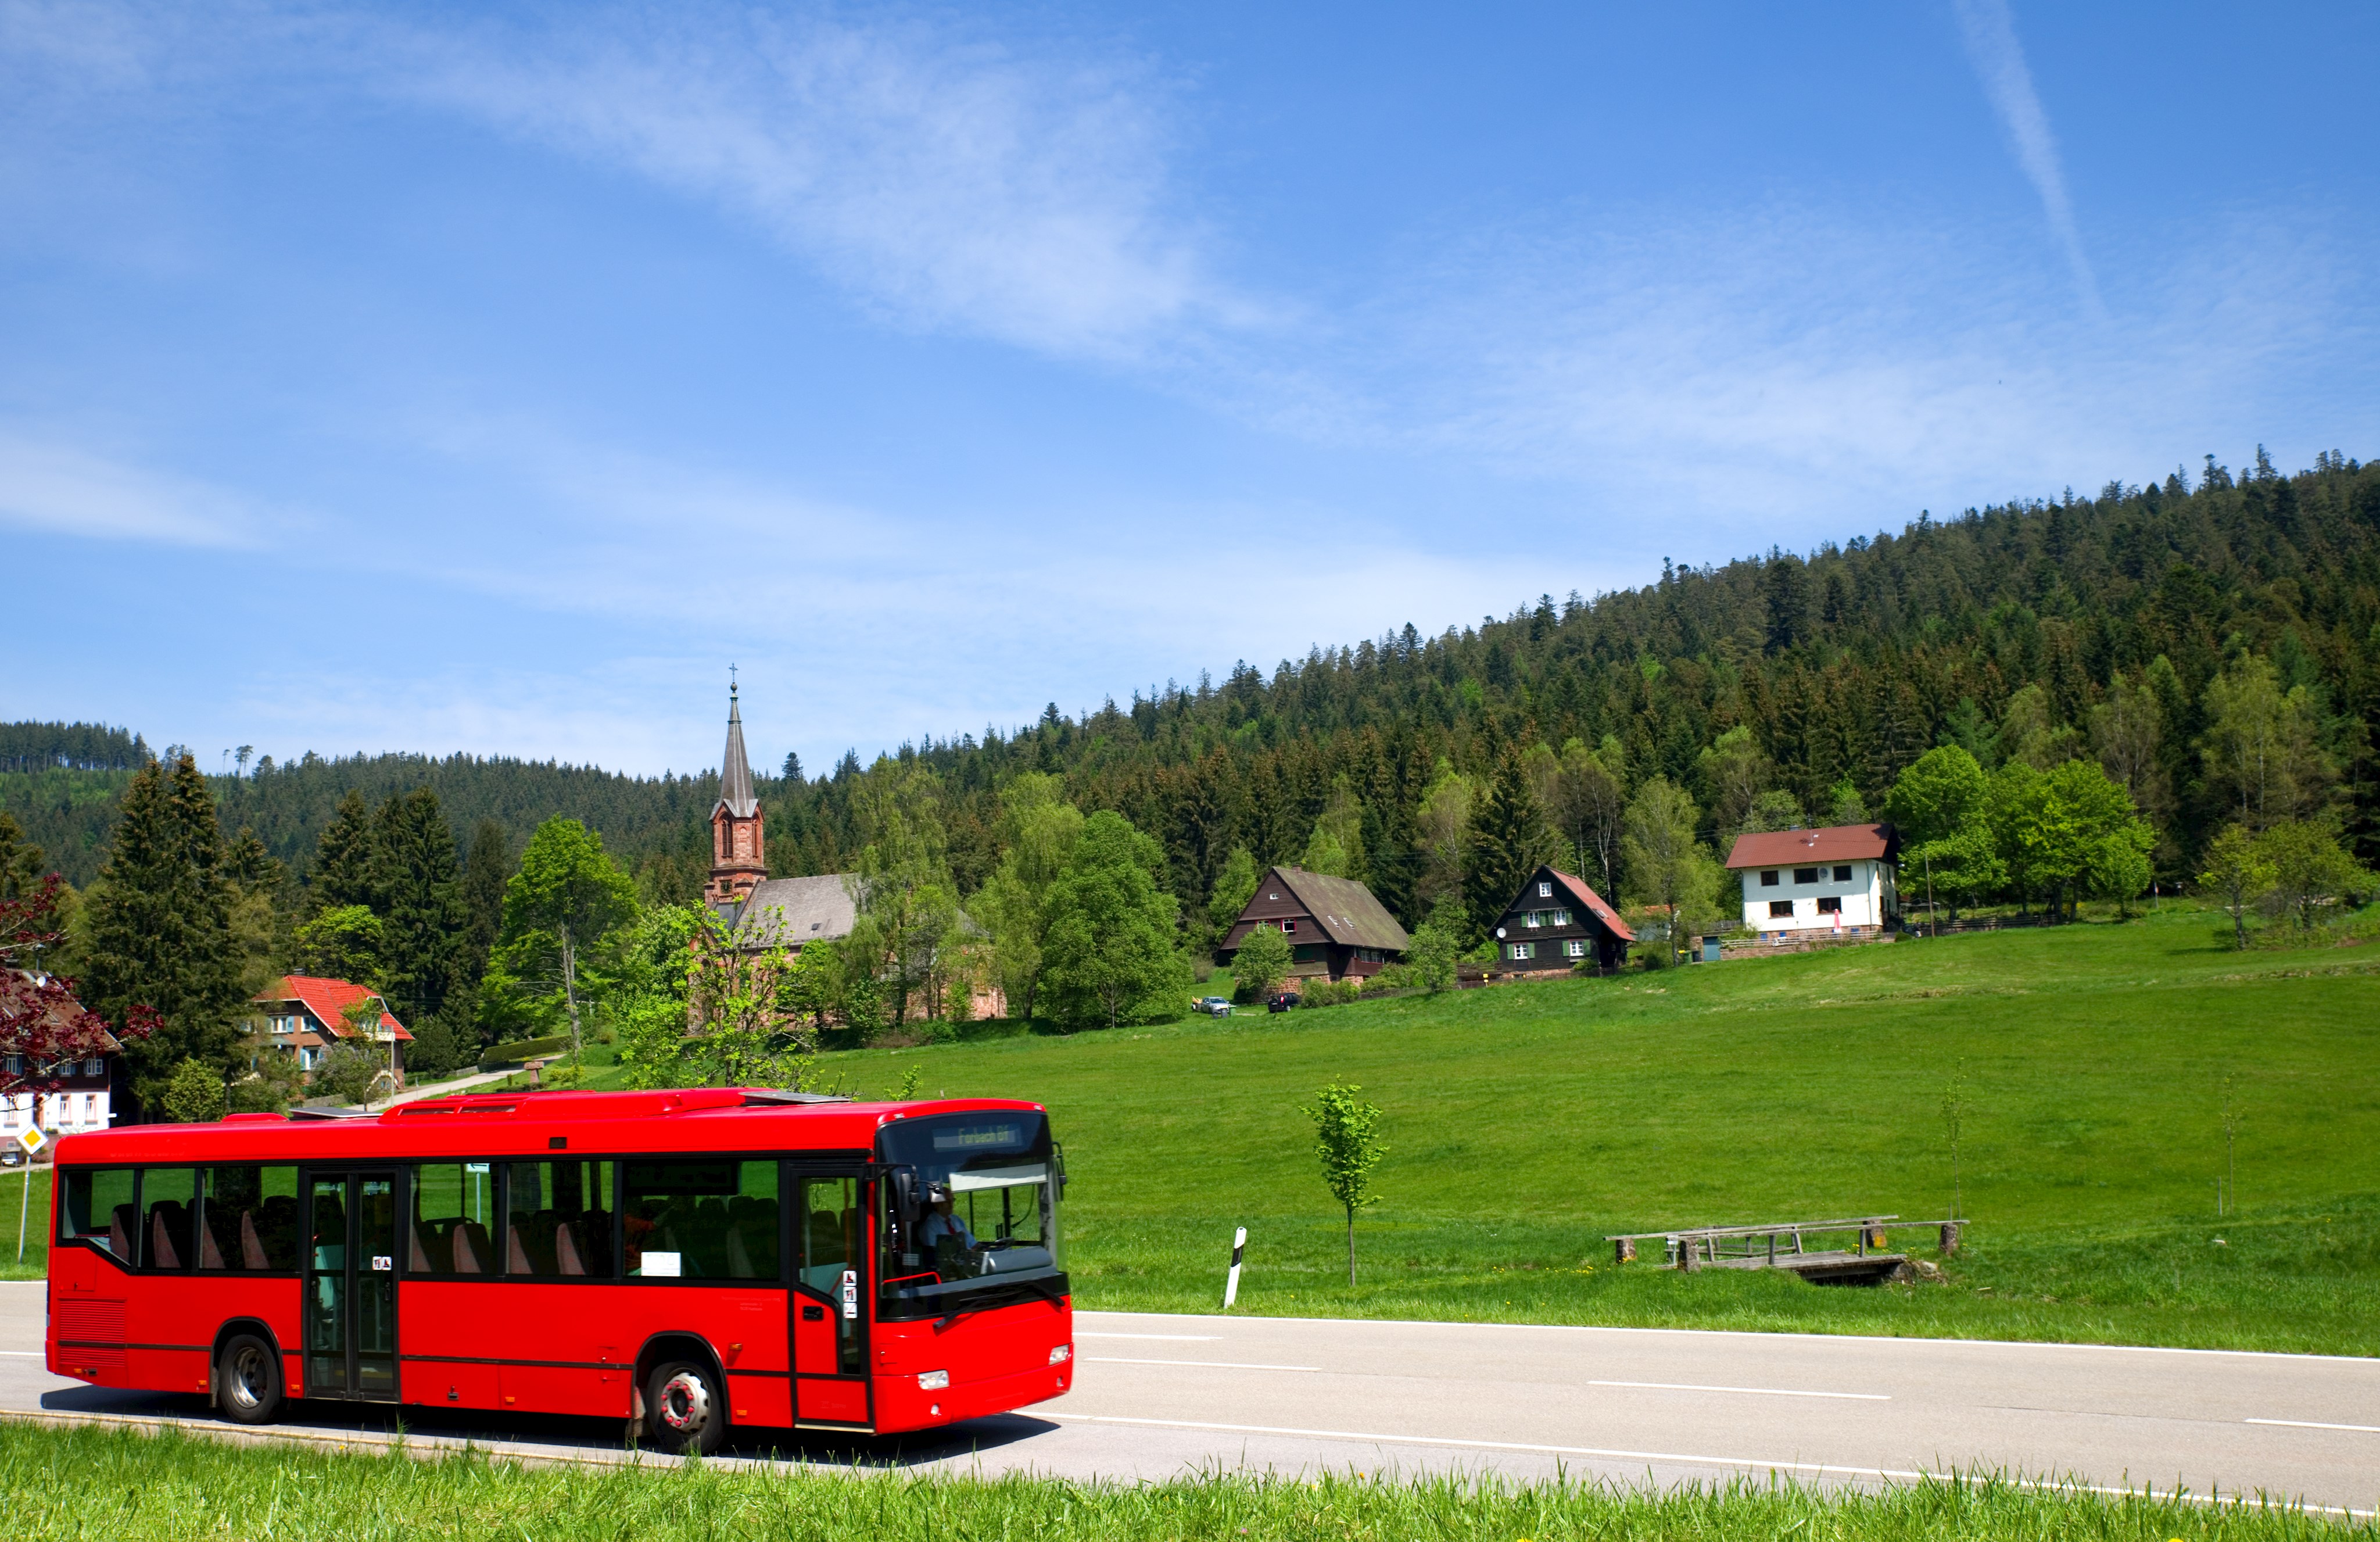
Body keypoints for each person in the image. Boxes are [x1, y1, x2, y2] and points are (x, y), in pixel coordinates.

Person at [917, 1182, 978, 1257]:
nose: (951, 1205)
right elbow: (936, 1256)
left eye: (953, 1200)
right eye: (947, 1201)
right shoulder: (930, 1227)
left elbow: (974, 1245)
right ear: (937, 1203)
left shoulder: (956, 1220)